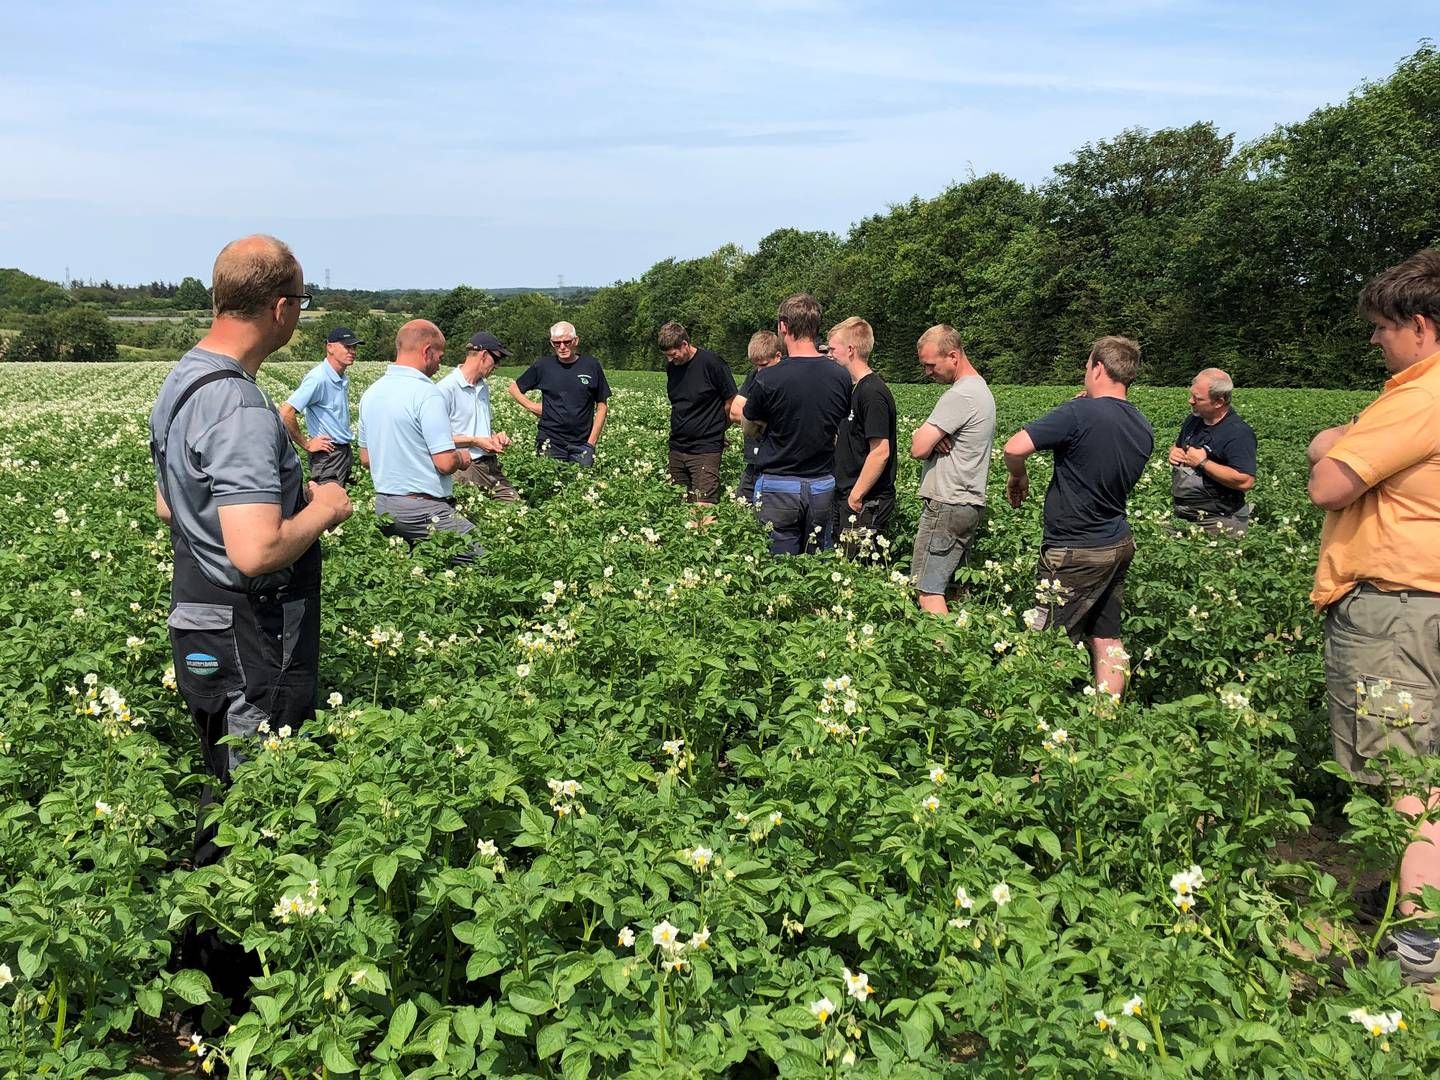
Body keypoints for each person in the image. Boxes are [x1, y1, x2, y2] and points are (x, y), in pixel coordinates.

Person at [148, 234, 352, 1001]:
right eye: (300, 304)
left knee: (220, 786)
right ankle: (231, 994)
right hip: (249, 632)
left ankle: (193, 964)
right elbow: (255, 548)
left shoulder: (181, 383)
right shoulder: (236, 402)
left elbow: (172, 501)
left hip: (198, 621)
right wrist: (324, 510)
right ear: (280, 308)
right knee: (254, 795)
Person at [1307, 248, 1440, 984]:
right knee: (1427, 759)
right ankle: (1412, 892)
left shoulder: (1420, 394)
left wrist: (1328, 441)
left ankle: (1418, 943)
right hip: (1428, 608)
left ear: (1420, 326)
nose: (1374, 341)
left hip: (1397, 622)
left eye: (1383, 327)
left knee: (1404, 772)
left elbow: (1330, 479)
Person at [1002, 336, 1153, 697]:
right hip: (1117, 542)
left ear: (1098, 368)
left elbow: (1014, 446)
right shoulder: (1142, 425)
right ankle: (1106, 716)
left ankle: (1034, 718)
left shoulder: (1079, 413)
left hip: (1074, 549)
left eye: (1087, 367)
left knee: (1046, 639)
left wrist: (1018, 475)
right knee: (1107, 636)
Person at [357, 320, 481, 558]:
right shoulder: (427, 393)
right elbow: (444, 463)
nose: (439, 364)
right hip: (423, 509)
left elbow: (366, 458)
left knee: (421, 569)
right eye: (439, 356)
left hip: (384, 505)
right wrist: (461, 458)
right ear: (427, 352)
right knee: (486, 560)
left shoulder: (371, 393)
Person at [741, 293, 852, 555]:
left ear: (783, 326)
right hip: (821, 484)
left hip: (778, 484)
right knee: (816, 568)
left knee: (779, 572)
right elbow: (837, 425)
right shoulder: (840, 376)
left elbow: (749, 426)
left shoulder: (768, 377)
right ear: (816, 327)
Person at [908, 325, 996, 612]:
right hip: (967, 502)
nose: (927, 372)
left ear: (953, 356)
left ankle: (943, 655)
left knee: (927, 591)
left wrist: (925, 440)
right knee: (955, 591)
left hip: (947, 504)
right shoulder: (980, 389)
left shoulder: (961, 395)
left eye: (931, 365)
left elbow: (918, 447)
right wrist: (933, 440)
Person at [827, 317, 896, 560]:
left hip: (866, 501)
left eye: (833, 349)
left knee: (857, 568)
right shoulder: (853, 389)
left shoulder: (873, 393)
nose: (830, 354)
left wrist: (856, 497)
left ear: (851, 350)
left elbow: (880, 451)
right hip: (847, 495)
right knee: (843, 562)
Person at [507, 321, 611, 465]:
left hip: (582, 444)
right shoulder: (543, 365)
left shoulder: (591, 365)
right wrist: (531, 406)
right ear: (551, 343)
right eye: (557, 343)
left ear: (576, 341)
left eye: (567, 342)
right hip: (550, 442)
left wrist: (591, 444)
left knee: (581, 486)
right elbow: (514, 388)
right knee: (548, 483)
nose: (562, 347)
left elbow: (602, 406)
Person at [1168, 368, 1257, 534]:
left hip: (1218, 521)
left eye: (1197, 398)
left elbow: (1245, 481)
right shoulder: (1194, 420)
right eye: (1191, 395)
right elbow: (1178, 445)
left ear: (1219, 401)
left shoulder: (1238, 433)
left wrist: (1203, 463)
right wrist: (1174, 451)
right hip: (1184, 515)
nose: (1190, 401)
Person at [659, 321, 737, 505]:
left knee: (704, 507)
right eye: (667, 356)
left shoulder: (712, 363)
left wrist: (718, 429)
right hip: (677, 448)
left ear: (685, 344)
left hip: (705, 449)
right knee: (679, 507)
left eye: (673, 354)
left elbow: (731, 402)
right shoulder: (672, 368)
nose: (671, 360)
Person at [438, 330, 519, 502]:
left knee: (514, 506)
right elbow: (437, 439)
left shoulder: (483, 387)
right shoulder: (446, 389)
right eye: (496, 359)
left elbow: (480, 428)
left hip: (490, 464)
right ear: (483, 355)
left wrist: (495, 437)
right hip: (465, 466)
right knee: (474, 519)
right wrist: (475, 441)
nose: (496, 366)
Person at [278, 326, 360, 486]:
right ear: (330, 347)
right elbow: (286, 412)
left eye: (354, 347)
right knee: (328, 505)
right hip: (329, 454)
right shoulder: (319, 378)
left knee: (341, 502)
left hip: (343, 450)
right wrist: (307, 444)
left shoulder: (340, 377)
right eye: (347, 346)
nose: (352, 351)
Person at [729, 330, 782, 502]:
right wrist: (765, 421)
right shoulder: (754, 376)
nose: (760, 370)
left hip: (776, 465)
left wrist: (753, 417)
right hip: (753, 462)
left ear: (778, 356)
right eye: (756, 365)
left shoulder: (786, 379)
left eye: (764, 365)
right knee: (740, 508)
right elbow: (735, 411)